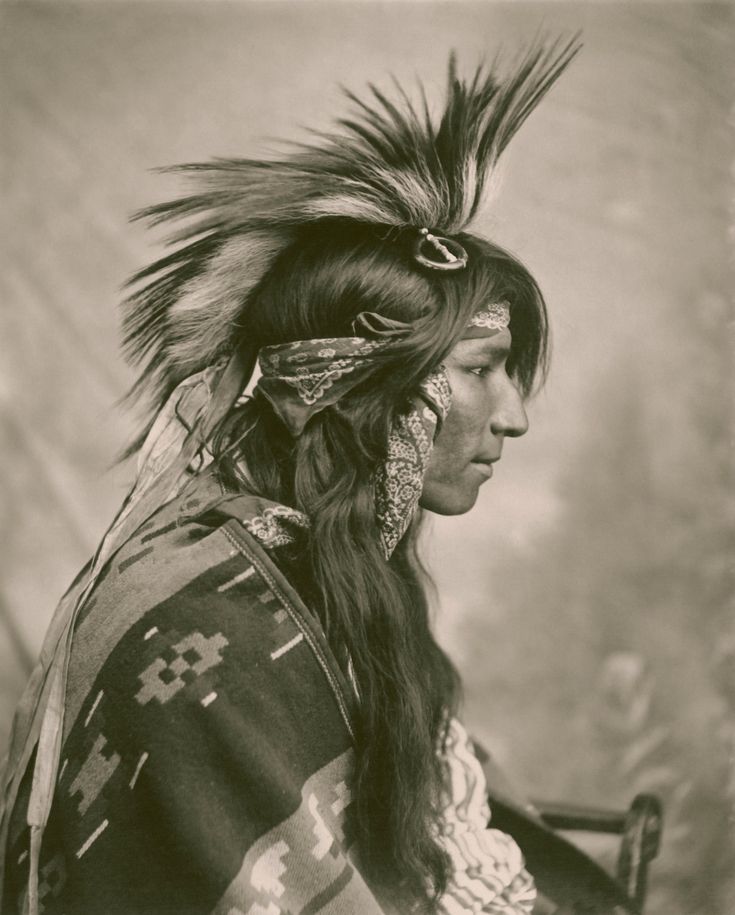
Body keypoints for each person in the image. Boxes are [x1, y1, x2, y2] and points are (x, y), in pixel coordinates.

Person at [0, 40, 629, 915]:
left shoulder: (329, 567)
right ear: (364, 387)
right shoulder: (208, 628)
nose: (514, 414)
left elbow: (441, 840)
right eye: (483, 367)